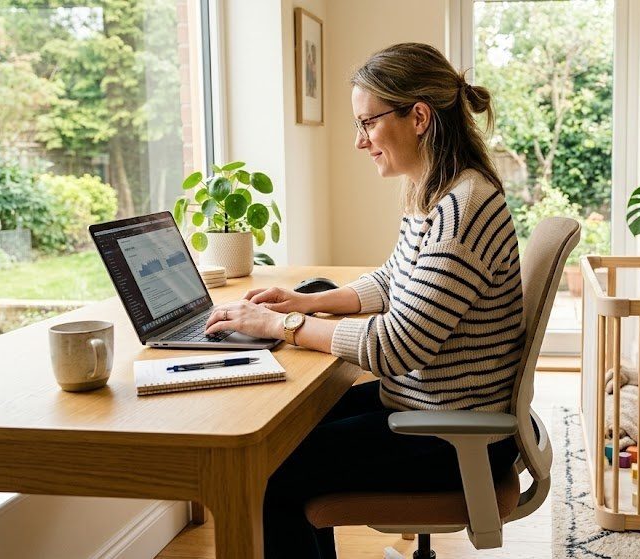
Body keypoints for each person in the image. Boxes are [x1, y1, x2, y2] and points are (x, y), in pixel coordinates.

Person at [205, 42, 523, 558]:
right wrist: (304, 303)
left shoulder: (461, 210)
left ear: (418, 117)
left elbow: (396, 348)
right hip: (431, 409)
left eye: (368, 123)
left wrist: (277, 328)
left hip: (451, 435)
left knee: (269, 471)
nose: (360, 142)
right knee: (278, 436)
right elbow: (393, 280)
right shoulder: (440, 193)